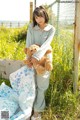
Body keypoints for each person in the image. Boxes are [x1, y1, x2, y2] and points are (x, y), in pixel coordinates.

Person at [26, 6, 55, 120]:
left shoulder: (51, 29)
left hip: (44, 58)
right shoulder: (31, 27)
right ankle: (29, 108)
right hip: (32, 56)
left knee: (42, 85)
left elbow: (46, 44)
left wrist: (37, 57)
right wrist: (28, 58)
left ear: (45, 15)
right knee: (31, 84)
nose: (38, 19)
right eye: (36, 17)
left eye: (41, 16)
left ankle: (37, 111)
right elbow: (29, 42)